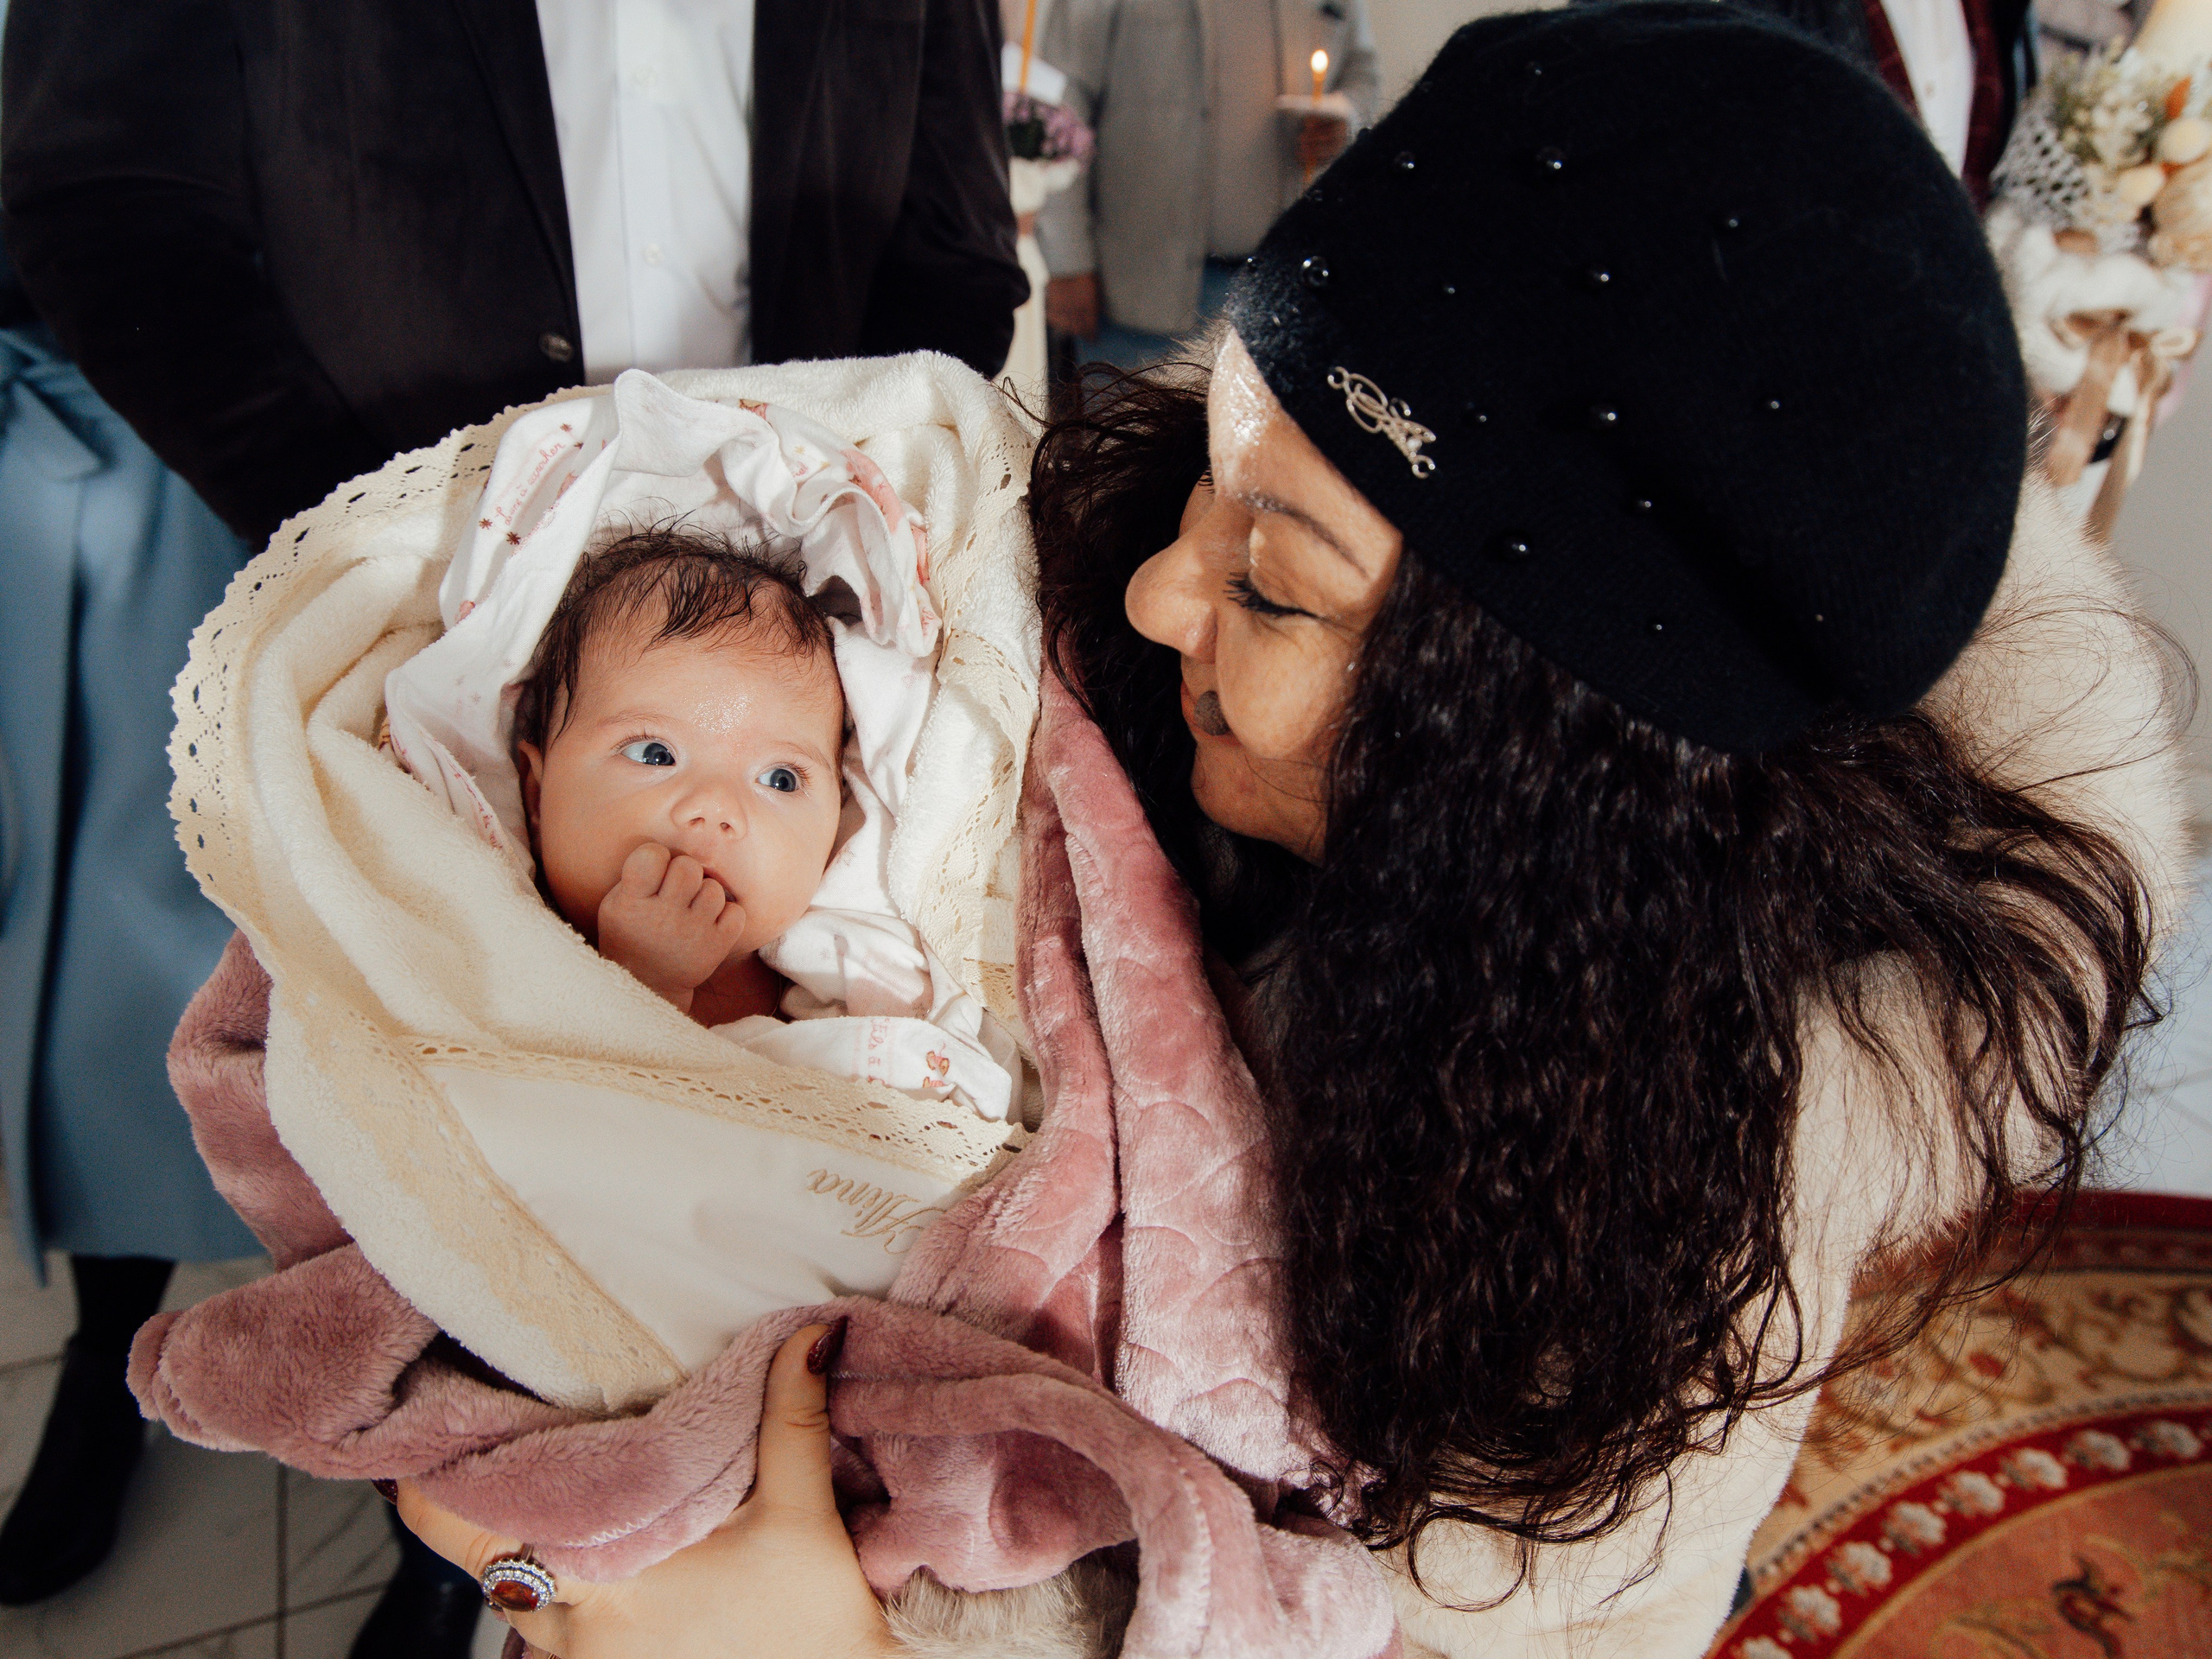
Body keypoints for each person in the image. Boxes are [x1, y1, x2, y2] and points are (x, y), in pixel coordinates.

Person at [413, 5, 2181, 1655]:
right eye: (1212, 465)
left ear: (1530, 765)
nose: (1166, 589)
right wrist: (529, 1554)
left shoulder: (1625, 1298)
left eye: (1272, 584)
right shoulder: (1125, 669)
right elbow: (523, 1504)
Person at [0, 0, 1027, 555]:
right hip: (388, 569)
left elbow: (951, 243)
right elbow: (111, 202)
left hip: (790, 589)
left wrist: (830, 524)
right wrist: (362, 531)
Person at [0, 244, 261, 1604]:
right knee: (59, 979)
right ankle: (108, 1369)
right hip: (26, 431)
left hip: (204, 426)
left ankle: (443, 1509)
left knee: (200, 920)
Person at [1036, 0, 1379, 371]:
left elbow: (1361, 73)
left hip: (1282, 298)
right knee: (1125, 427)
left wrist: (1347, 119)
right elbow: (1058, 99)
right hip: (1135, 298)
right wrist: (1066, 259)